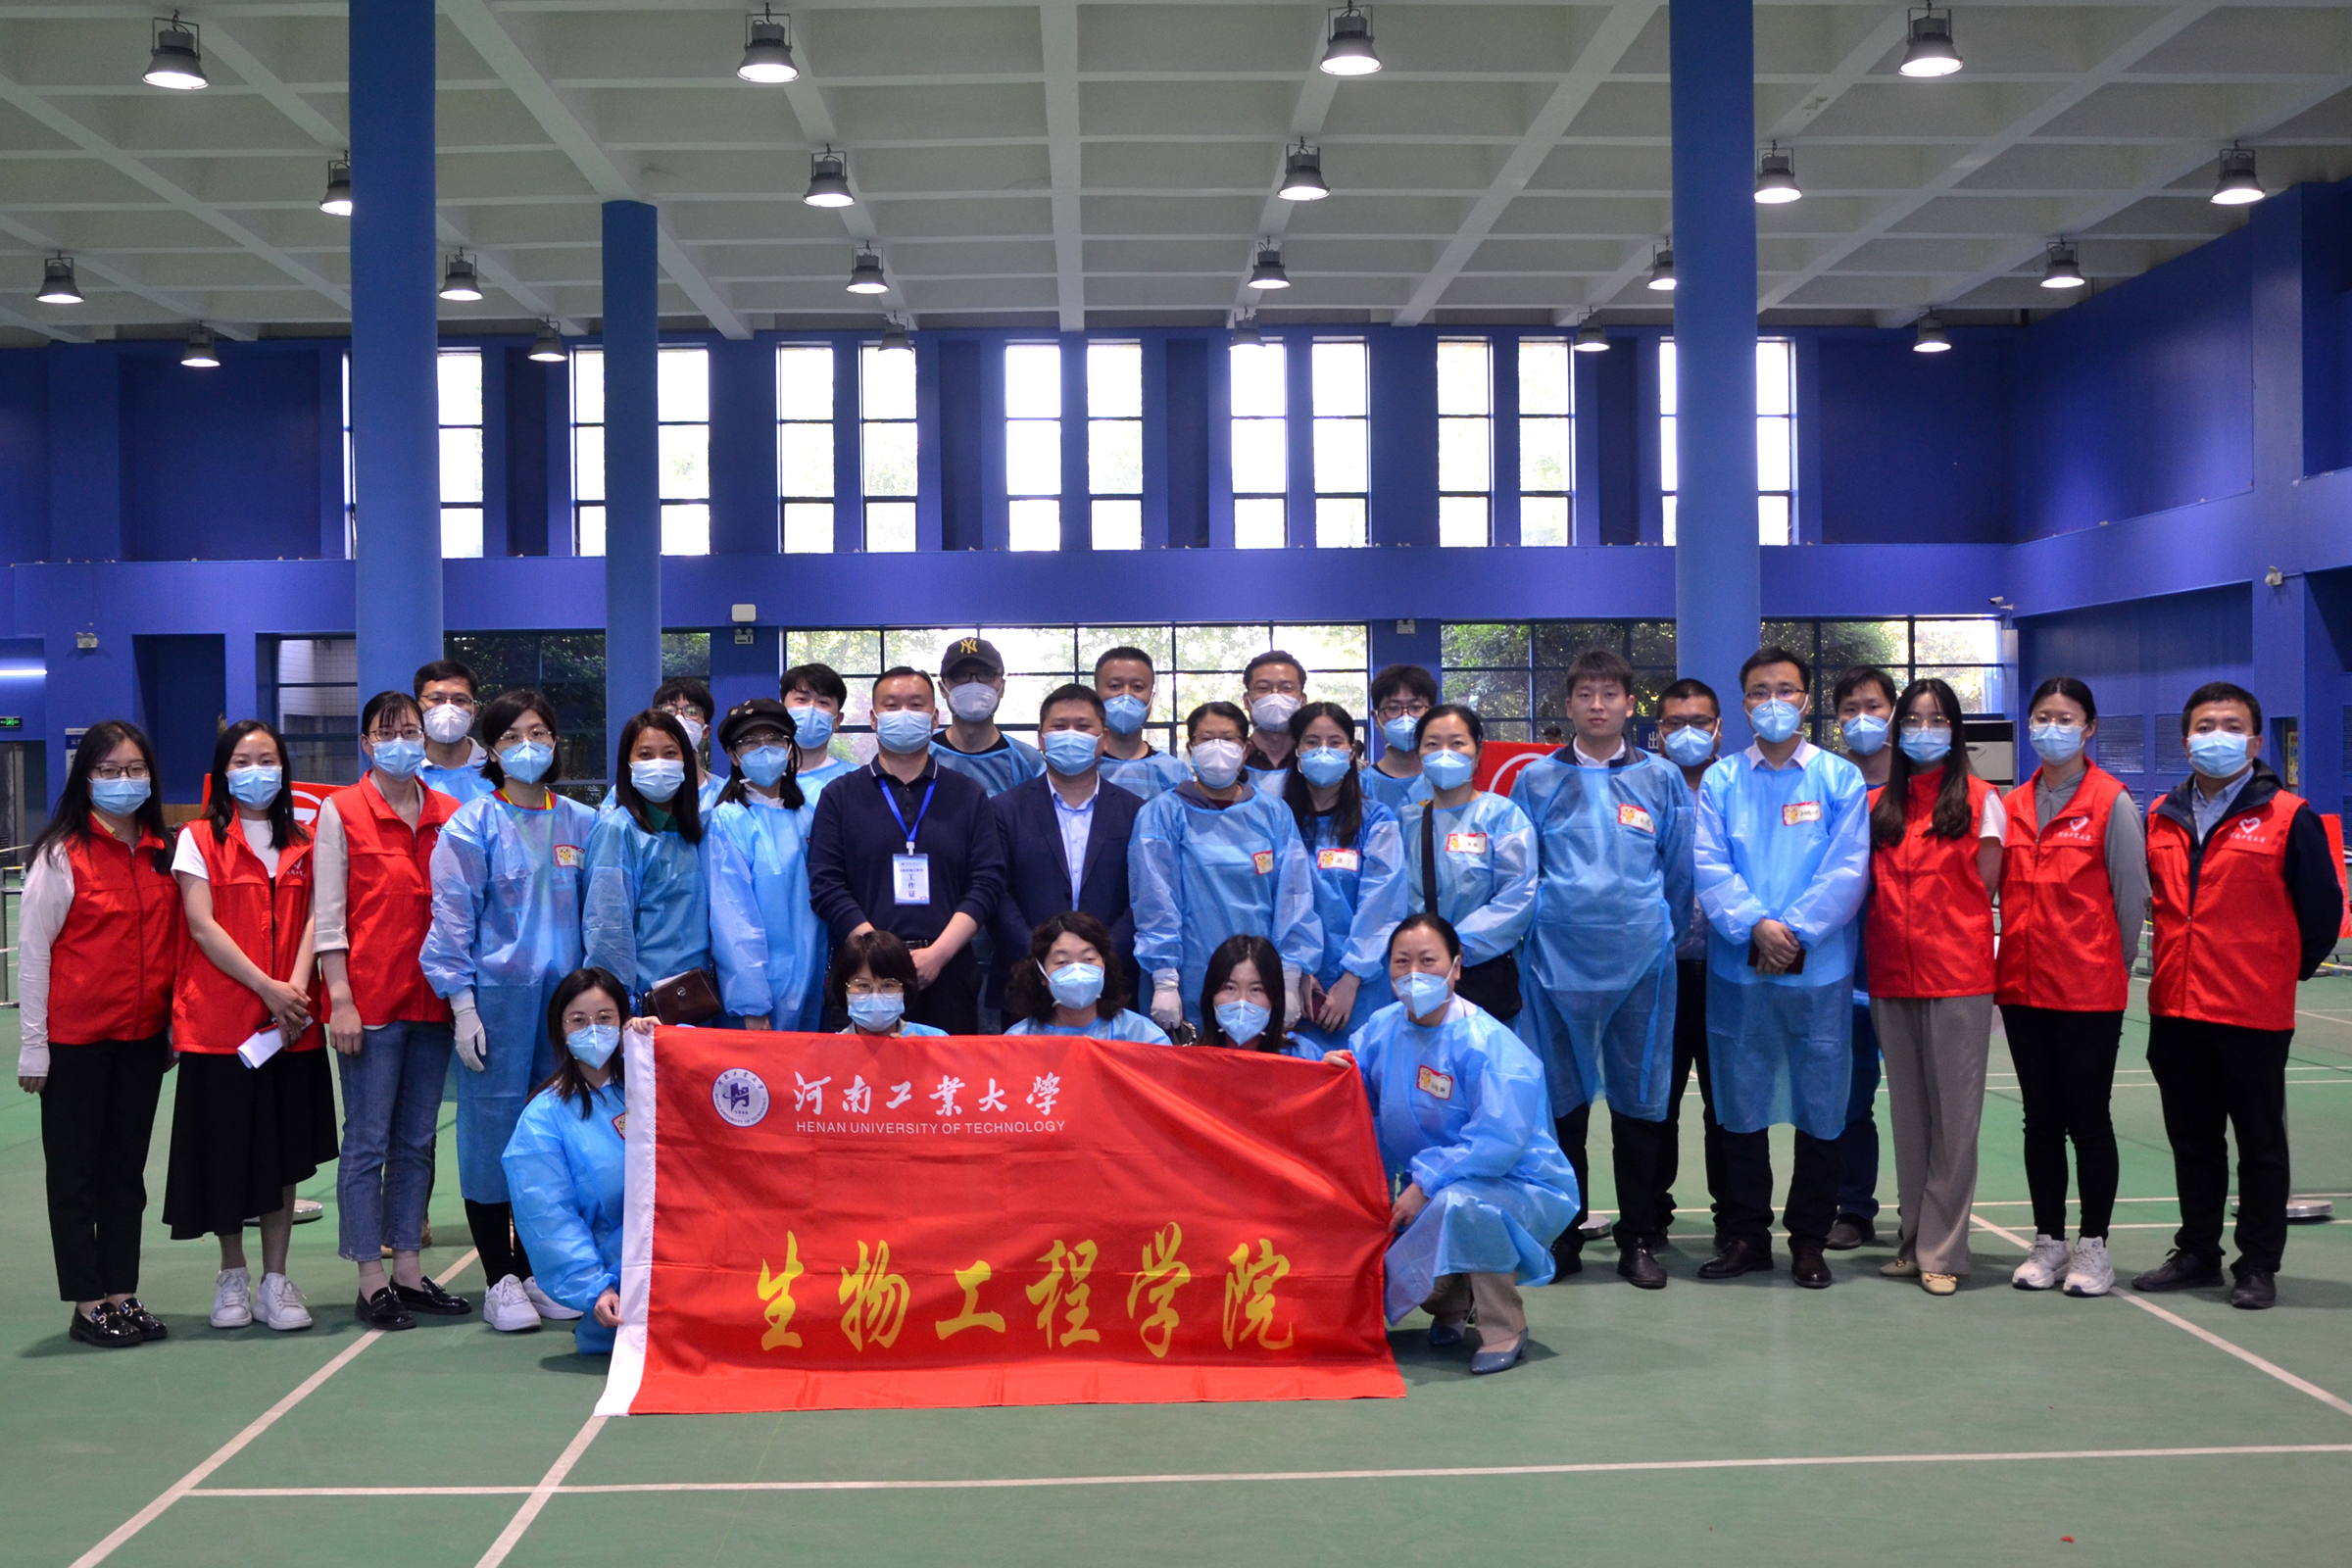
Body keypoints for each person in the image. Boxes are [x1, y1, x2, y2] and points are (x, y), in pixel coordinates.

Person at [2131, 682, 2339, 1311]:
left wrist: (2277, 972)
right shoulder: (2161, 815)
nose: (2215, 736)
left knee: (2259, 1145)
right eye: (2204, 726)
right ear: (2185, 740)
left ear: (2253, 741)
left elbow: (2322, 912)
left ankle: (2258, 1265)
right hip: (2176, 1007)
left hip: (2252, 1012)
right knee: (2193, 1141)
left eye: (2230, 725)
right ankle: (2198, 1252)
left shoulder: (2289, 816)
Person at [1508, 648, 1691, 1289]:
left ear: (1630, 704)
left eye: (1610, 694)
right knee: (1563, 1108)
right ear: (1568, 704)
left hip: (1641, 965)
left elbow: (1679, 873)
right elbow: (1521, 871)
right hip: (1553, 965)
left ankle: (1638, 1237)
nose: (1597, 705)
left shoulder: (1661, 779)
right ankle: (1564, 1235)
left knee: (1640, 1105)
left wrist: (1655, 933)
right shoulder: (1535, 781)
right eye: (1585, 694)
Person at [1692, 647, 1870, 1289]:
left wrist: (1793, 933)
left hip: (1818, 970)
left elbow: (1847, 868)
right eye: (1760, 691)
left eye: (1786, 689)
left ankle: (1809, 1241)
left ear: (1806, 699)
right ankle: (1746, 1236)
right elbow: (1710, 864)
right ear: (1744, 705)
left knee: (1822, 1107)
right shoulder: (1721, 782)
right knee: (1740, 1107)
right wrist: (1755, 926)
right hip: (1739, 970)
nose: (1774, 701)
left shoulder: (1839, 779)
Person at [421, 687, 598, 1335]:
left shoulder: (583, 822)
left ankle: (538, 1270)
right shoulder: (471, 826)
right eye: (512, 737)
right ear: (492, 750)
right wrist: (462, 1005)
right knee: (491, 1138)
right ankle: (500, 1276)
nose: (528, 747)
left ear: (555, 742)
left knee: (558, 1140)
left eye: (539, 734)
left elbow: (600, 916)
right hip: (497, 1008)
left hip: (570, 1014)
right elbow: (451, 922)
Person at [1350, 913, 1578, 1376]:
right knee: (1397, 1259)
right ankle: (1452, 1303)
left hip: (1514, 1185)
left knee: (1463, 1208)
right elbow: (1354, 1093)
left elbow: (1497, 1141)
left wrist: (1426, 1184)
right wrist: (1334, 1070)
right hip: (1430, 1185)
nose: (1414, 973)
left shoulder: (1490, 1044)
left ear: (1456, 967)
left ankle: (1504, 1326)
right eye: (1401, 961)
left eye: (1428, 961)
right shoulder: (1381, 1029)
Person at [164, 719, 335, 1334]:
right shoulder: (196, 839)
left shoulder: (308, 841)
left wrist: (294, 991)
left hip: (292, 1027)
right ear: (223, 772)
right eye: (242, 760)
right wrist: (267, 988)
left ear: (284, 770)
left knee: (284, 1156)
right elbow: (202, 925)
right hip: (221, 1029)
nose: (256, 770)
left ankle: (276, 1280)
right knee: (228, 1152)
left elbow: (319, 918)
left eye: (267, 759)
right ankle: (231, 1275)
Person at [17, 722, 184, 1348]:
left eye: (134, 769)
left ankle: (121, 1292)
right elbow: (34, 954)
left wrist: (172, 1026)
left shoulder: (163, 851)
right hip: (75, 1044)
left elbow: (174, 946)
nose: (124, 781)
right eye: (109, 770)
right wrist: (34, 1045)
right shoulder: (61, 854)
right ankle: (88, 1304)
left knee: (125, 1174)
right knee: (75, 1177)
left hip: (142, 1041)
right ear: (85, 778)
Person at [315, 691, 469, 1331]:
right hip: (370, 1005)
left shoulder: (450, 814)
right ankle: (370, 1278)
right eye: (387, 732)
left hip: (432, 1003)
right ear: (367, 743)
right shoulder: (342, 811)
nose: (401, 741)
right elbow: (328, 916)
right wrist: (340, 1000)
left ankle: (408, 1268)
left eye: (410, 730)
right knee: (368, 1141)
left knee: (417, 1140)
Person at [1997, 676, 2148, 1298]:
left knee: (2087, 1117)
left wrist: (2108, 964)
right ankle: (2049, 1240)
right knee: (2039, 1119)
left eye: (2065, 718)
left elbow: (2131, 898)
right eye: (2041, 717)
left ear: (2088, 728)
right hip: (2022, 988)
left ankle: (2094, 1246)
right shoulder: (2011, 805)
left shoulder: (2112, 802)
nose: (2051, 728)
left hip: (2087, 991)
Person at [1866, 678, 2005, 1298]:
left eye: (1938, 719)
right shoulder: (1879, 806)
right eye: (1914, 720)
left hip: (1958, 978)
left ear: (1955, 730)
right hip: (1891, 978)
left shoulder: (1982, 800)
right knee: (1910, 1118)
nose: (1925, 730)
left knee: (1954, 1121)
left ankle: (1944, 1250)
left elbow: (1986, 887)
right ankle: (1913, 1239)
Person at [808, 667, 1004, 1034]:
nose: (903, 713)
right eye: (891, 705)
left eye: (915, 705)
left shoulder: (967, 794)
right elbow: (826, 885)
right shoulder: (840, 796)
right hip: (863, 977)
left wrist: (939, 955)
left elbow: (987, 883)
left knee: (946, 1071)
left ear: (934, 718)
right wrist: (878, 959)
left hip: (947, 972)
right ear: (873, 718)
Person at [1130, 701, 1322, 1031]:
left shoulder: (1273, 813)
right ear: (1190, 748)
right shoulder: (1162, 814)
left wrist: (1289, 977)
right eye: (1206, 739)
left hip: (1260, 977)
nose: (1217, 748)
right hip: (1187, 977)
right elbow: (1154, 899)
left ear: (1245, 750)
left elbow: (1293, 897)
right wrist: (1164, 979)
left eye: (1228, 739)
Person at [503, 967, 642, 1354]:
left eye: (605, 1018)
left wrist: (667, 1043)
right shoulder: (543, 1118)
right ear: (560, 1030)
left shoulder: (652, 1085)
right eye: (578, 1020)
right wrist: (596, 1288)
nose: (593, 1030)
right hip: (619, 1285)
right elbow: (550, 1217)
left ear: (624, 1022)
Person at [990, 685, 1144, 997]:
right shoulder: (1004, 810)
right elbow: (995, 893)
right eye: (1060, 726)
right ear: (1041, 739)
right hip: (1026, 981)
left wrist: (1101, 961)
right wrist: (1042, 962)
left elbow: (1142, 896)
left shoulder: (1135, 811)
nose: (1071, 734)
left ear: (1104, 739)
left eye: (1083, 726)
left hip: (1110, 982)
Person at [1650, 678, 1730, 1248]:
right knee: (1658, 1102)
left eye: (1699, 722)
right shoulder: (1643, 787)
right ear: (1658, 731)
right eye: (1675, 723)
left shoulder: (1738, 787)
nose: (1687, 733)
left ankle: (1735, 1223)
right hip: (1661, 972)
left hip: (1730, 971)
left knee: (1728, 1107)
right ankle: (1650, 1217)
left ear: (1719, 729)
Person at [1397, 705, 1538, 1019]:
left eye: (1457, 743)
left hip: (1483, 972)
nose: (1444, 753)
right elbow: (1392, 898)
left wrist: (1455, 949)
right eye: (1432, 744)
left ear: (1477, 753)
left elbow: (1517, 896)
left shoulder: (1503, 817)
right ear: (1420, 755)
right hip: (1418, 976)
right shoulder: (1407, 821)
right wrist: (1420, 955)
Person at [1285, 703, 1407, 1055]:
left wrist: (1352, 978)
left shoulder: (1377, 820)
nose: (1323, 751)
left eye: (1335, 742)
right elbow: (1276, 900)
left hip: (1362, 985)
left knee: (1360, 1073)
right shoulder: (1278, 817)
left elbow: (1383, 904)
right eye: (1312, 742)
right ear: (1297, 751)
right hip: (1292, 984)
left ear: (1352, 751)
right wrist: (1295, 971)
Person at [1827, 663, 1899, 1250]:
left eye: (1873, 706)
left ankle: (1928, 1215)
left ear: (1892, 711)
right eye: (1850, 709)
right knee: (1851, 1099)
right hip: (1847, 970)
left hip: (1915, 969)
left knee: (1927, 1102)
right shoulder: (1830, 784)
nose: (1862, 718)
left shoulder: (1926, 784)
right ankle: (1853, 1207)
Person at [584, 711, 717, 1011]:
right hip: (645, 1005)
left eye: (670, 754)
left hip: (696, 995)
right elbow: (608, 930)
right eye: (645, 755)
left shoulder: (692, 830)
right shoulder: (617, 831)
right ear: (628, 765)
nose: (659, 764)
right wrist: (618, 1003)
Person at [705, 699, 825, 1031]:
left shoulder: (807, 815)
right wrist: (751, 1002)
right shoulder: (728, 821)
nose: (764, 749)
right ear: (734, 756)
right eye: (750, 742)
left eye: (774, 739)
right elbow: (733, 919)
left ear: (789, 747)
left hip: (812, 979)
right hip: (758, 998)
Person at [1003, 911, 1171, 1043]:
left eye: (1088, 959)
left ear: (1104, 965)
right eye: (1062, 962)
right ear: (1042, 975)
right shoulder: (1018, 1041)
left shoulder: (1142, 1036)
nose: (1077, 970)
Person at [930, 636, 1044, 796]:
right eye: (960, 675)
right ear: (943, 688)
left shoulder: (1029, 763)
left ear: (1002, 687)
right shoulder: (923, 756)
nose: (974, 684)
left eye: (986, 674)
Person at [601, 678, 724, 817]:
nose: (679, 718)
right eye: (669, 710)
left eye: (691, 711)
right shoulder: (622, 796)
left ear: (706, 731)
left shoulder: (724, 797)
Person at [1092, 645, 1188, 803]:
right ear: (1096, 694)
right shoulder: (1078, 769)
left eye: (1137, 687)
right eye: (1115, 686)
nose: (1126, 696)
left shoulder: (1175, 773)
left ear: (1151, 698)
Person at [827, 929, 947, 1039]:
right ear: (844, 989)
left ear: (905, 988)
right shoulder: (830, 1049)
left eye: (887, 985)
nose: (875, 996)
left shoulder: (936, 1040)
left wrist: (921, 1054)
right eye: (863, 985)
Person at [1194, 934, 1301, 1054]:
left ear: (1275, 998)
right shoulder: (1194, 1061)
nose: (1242, 1002)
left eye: (1256, 989)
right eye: (1230, 988)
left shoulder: (1304, 1057)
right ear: (1211, 996)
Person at [416, 659, 497, 806]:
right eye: (437, 699)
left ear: (474, 712)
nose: (448, 708)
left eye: (460, 700)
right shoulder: (404, 772)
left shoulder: (498, 772)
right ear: (416, 708)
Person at [1362, 662, 1438, 812]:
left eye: (1416, 707)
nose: (1405, 717)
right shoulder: (1360, 786)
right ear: (1376, 718)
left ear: (1431, 715)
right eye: (1393, 708)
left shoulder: (1446, 781)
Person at [783, 662, 858, 797]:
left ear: (838, 720)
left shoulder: (857, 781)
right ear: (781, 711)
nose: (811, 709)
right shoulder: (757, 780)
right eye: (801, 699)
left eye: (823, 702)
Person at [1240, 650, 1307, 795]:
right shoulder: (1232, 759)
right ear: (1246, 701)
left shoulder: (1314, 759)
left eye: (1286, 688)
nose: (1275, 696)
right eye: (1263, 688)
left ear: (1303, 700)